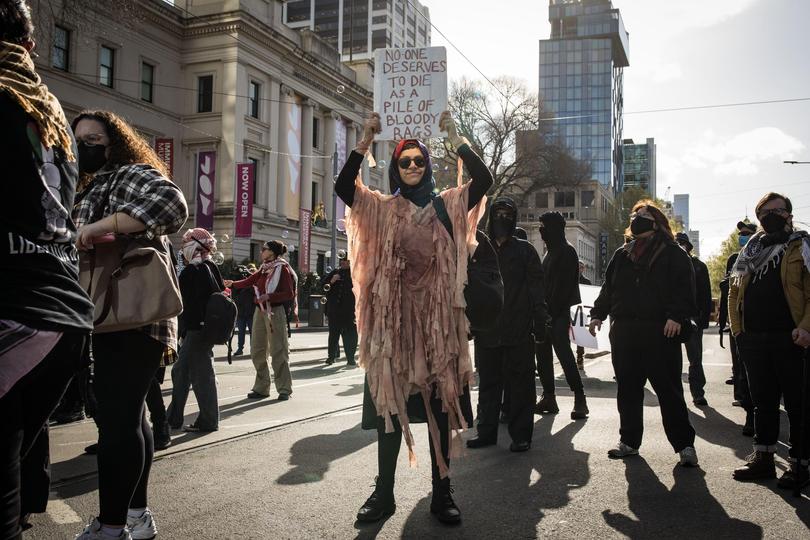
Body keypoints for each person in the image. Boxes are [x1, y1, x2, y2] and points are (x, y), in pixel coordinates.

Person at [336, 111, 492, 524]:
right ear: (395, 167)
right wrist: (366, 138)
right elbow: (343, 187)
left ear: (426, 165)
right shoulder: (382, 209)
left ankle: (442, 493)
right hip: (394, 329)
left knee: (440, 410)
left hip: (439, 328)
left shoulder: (449, 204)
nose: (411, 167)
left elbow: (485, 180)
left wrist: (456, 137)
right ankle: (383, 494)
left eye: (418, 161)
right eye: (404, 162)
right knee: (391, 409)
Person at [0, 3, 95, 536]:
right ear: (31, 47)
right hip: (59, 316)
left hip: (14, 307)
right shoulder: (49, 113)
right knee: (10, 462)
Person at [72, 110, 188, 540]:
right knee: (130, 416)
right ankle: (136, 517)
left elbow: (172, 203)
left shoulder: (126, 174)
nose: (84, 146)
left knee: (117, 421)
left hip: (129, 313)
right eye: (79, 138)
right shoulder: (90, 184)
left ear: (113, 142)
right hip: (115, 315)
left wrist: (99, 227)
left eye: (93, 138)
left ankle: (112, 524)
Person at [589, 200, 699, 467]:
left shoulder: (674, 253)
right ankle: (629, 442)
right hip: (625, 332)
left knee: (669, 391)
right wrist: (597, 314)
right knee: (627, 390)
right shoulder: (622, 254)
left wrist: (676, 316)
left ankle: (685, 446)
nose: (638, 218)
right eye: (635, 214)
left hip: (660, 331)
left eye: (645, 215)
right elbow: (608, 288)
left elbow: (684, 289)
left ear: (658, 222)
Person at [730, 193, 810, 489]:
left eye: (778, 210)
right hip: (753, 338)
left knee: (798, 404)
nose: (772, 214)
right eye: (765, 210)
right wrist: (739, 331)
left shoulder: (802, 245)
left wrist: (805, 327)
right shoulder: (751, 249)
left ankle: (800, 463)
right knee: (762, 402)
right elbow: (734, 292)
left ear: (789, 214)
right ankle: (763, 459)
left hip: (792, 338)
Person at [469, 197, 548, 452]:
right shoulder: (479, 248)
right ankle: (486, 432)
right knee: (489, 384)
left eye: (508, 214)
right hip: (488, 330)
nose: (503, 218)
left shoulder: (525, 251)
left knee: (521, 386)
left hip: (518, 328)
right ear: (491, 217)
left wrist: (539, 320)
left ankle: (521, 435)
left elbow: (537, 288)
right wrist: (468, 321)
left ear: (514, 219)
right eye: (498, 213)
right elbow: (467, 286)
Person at [166, 228, 225, 433]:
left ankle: (208, 420)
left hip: (197, 331)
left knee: (202, 376)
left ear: (195, 246)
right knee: (181, 371)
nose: (183, 248)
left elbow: (189, 302)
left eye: (185, 243)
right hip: (200, 330)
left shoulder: (196, 270)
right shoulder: (210, 267)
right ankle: (172, 417)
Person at [224, 241, 296, 401]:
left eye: (264, 249)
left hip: (275, 311)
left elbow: (289, 293)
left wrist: (270, 296)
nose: (261, 251)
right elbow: (250, 280)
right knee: (257, 350)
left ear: (272, 252)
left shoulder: (282, 268)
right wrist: (233, 284)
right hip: (259, 310)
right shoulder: (264, 267)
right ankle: (262, 388)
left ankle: (284, 389)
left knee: (278, 350)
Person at [534, 212, 589, 419]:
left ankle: (580, 397)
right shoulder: (550, 252)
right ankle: (549, 396)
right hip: (546, 313)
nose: (541, 230)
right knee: (543, 357)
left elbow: (564, 288)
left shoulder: (567, 251)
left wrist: (551, 313)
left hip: (558, 314)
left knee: (564, 356)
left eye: (544, 226)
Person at [719, 220, 757, 436]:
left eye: (747, 233)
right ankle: (749, 413)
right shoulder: (737, 259)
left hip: (762, 323)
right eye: (741, 234)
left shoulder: (768, 255)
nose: (743, 236)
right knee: (742, 369)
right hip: (740, 323)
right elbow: (731, 287)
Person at [675, 232, 712, 406]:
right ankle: (675, 395)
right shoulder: (667, 265)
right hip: (671, 318)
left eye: (683, 244)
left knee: (695, 358)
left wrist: (703, 319)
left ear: (689, 247)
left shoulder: (699, 266)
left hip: (693, 317)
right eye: (677, 244)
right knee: (671, 360)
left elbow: (706, 294)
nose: (680, 247)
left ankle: (698, 392)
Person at [321, 255, 358, 366]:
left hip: (349, 310)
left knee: (350, 335)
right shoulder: (334, 272)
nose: (342, 262)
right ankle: (331, 357)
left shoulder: (355, 273)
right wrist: (332, 281)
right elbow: (323, 286)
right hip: (334, 310)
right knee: (333, 334)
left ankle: (350, 358)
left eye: (345, 260)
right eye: (341, 260)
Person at [230, 266, 254, 356]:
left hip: (250, 312)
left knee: (253, 332)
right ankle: (240, 349)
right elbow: (233, 298)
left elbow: (255, 293)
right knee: (241, 332)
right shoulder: (235, 285)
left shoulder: (250, 283)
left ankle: (253, 349)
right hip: (241, 312)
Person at [576, 260, 592, 370]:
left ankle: (579, 357)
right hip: (570, 311)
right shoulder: (569, 279)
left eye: (581, 267)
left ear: (583, 269)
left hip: (581, 313)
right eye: (578, 267)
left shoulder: (587, 282)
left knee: (579, 336)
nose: (579, 269)